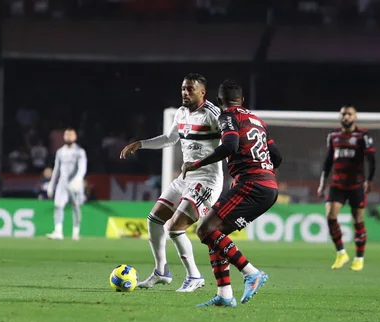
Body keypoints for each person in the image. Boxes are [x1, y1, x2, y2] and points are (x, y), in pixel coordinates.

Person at [182, 79, 283, 307]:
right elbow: (276, 156)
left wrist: (197, 164)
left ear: (219, 101)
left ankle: (251, 273)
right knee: (214, 235)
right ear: (243, 100)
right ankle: (225, 295)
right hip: (267, 186)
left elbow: (230, 146)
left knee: (204, 229)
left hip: (252, 184)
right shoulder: (258, 121)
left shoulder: (227, 116)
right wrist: (262, 169)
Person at [120, 73, 222, 293]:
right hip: (185, 178)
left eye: (190, 89)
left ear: (202, 92)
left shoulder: (213, 115)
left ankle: (194, 275)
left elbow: (232, 141)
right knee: (154, 220)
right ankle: (161, 272)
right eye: (183, 88)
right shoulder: (182, 113)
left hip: (207, 180)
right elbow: (169, 138)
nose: (185, 93)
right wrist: (141, 143)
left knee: (175, 228)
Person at [317, 105, 375, 272]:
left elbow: (371, 160)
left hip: (357, 184)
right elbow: (328, 161)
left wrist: (369, 180)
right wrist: (322, 182)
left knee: (357, 220)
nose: (346, 117)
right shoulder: (333, 136)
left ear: (355, 117)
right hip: (337, 184)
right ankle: (341, 253)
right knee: (330, 215)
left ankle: (359, 258)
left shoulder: (363, 135)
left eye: (349, 114)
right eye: (343, 114)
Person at [46, 128, 87, 241]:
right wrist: (51, 184)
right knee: (58, 206)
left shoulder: (79, 151)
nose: (68, 137)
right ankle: (58, 231)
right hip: (62, 183)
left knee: (76, 207)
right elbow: (56, 169)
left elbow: (82, 168)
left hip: (75, 183)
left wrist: (78, 180)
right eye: (67, 134)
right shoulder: (60, 152)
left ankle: (76, 232)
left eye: (71, 134)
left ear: (75, 137)